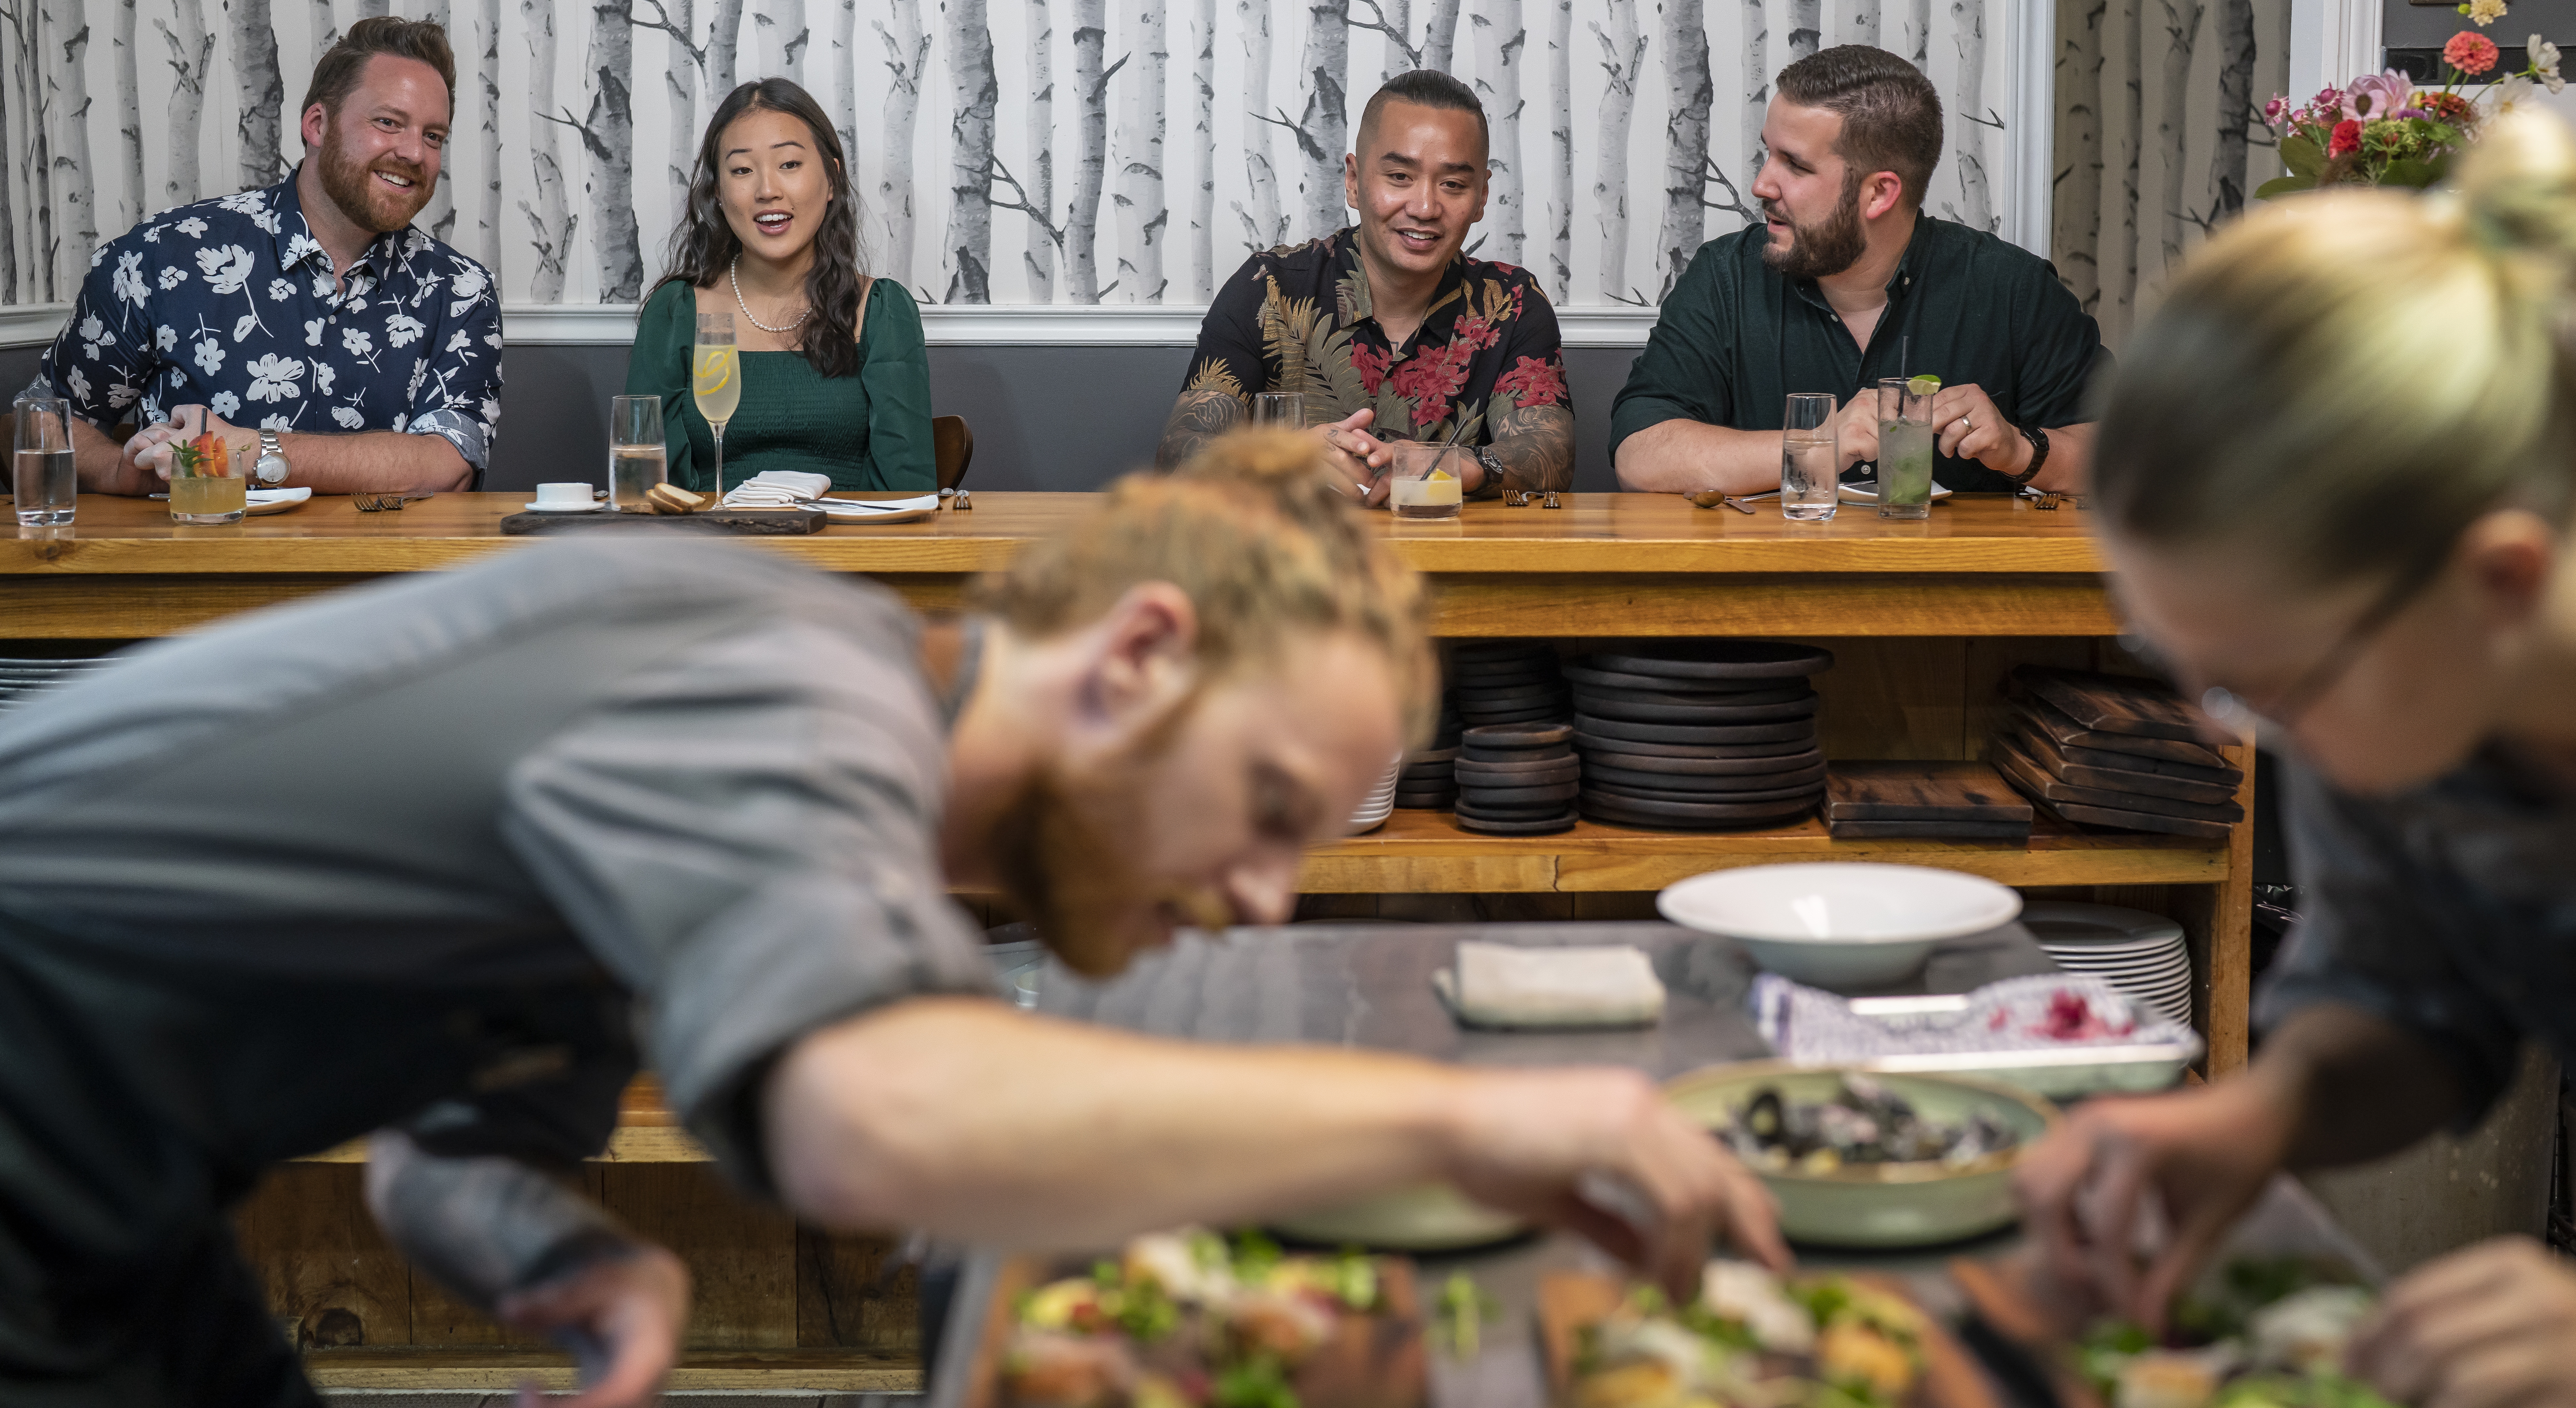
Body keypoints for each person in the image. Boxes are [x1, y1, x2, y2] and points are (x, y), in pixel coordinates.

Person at [0, 430, 1782, 1408]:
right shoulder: (790, 678)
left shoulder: (806, 791)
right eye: (1260, 809)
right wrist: (1472, 1117)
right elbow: (878, 1119)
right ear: (1138, 654)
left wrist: (576, 1261)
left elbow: (429, 1159)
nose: (1261, 893)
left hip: (114, 1223)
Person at [2015, 111, 2576, 1408]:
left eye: (2262, 681)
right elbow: (2406, 990)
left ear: (2500, 580)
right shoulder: (2399, 668)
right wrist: (2260, 1112)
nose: (2230, 723)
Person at [1610, 46, 2101, 497]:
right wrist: (1819, 443)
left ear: (1880, 194)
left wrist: (2021, 450)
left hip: (1960, 587)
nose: (1761, 184)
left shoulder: (2012, 288)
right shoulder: (1724, 279)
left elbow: (2123, 460)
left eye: (1795, 166)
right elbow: (1641, 453)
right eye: (1768, 153)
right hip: (1766, 582)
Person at [41, 16, 499, 496]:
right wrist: (118, 472)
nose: (414, 153)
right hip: (195, 566)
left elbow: (449, 462)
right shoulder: (161, 255)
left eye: (433, 136)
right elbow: (43, 422)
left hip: (397, 571)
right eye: (388, 122)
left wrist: (246, 452)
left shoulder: (461, 291)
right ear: (318, 125)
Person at [1156, 69, 1574, 502]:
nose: (1426, 207)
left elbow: (1550, 454)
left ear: (1482, 197)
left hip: (1454, 560)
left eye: (1453, 185)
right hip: (1291, 562)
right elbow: (1179, 456)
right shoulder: (1268, 289)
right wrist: (1286, 456)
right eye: (1399, 177)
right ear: (1354, 182)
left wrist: (1447, 464)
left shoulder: (1512, 302)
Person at [625, 78, 934, 495]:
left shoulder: (881, 310)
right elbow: (652, 493)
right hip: (709, 554)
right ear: (718, 192)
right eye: (742, 171)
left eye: (789, 165)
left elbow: (906, 494)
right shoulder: (675, 311)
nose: (768, 190)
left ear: (831, 179)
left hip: (846, 554)